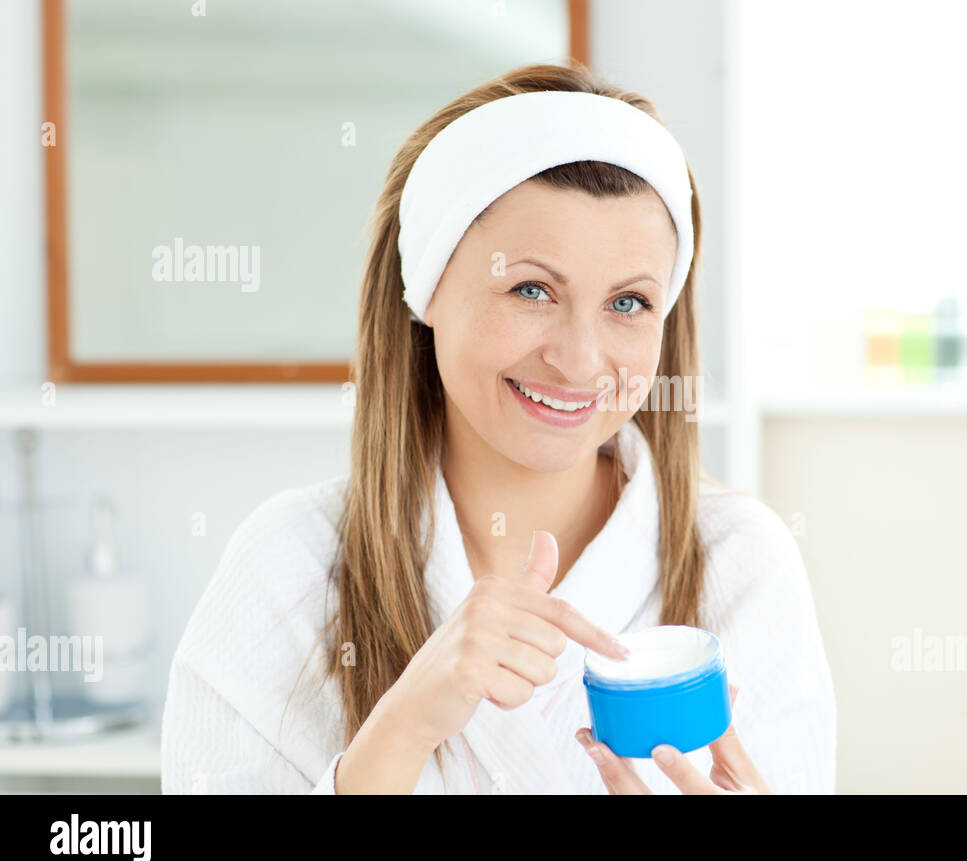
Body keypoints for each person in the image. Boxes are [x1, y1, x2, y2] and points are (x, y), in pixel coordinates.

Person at [160, 63, 835, 795]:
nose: (579, 360)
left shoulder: (742, 566)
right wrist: (401, 731)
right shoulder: (287, 571)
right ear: (426, 289)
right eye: (532, 290)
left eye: (630, 303)